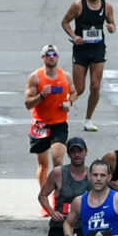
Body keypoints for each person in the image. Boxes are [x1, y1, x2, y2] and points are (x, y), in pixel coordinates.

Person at [60, 0, 117, 131]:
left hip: (98, 51)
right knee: (79, 88)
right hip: (81, 51)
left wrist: (112, 28)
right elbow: (65, 22)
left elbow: (112, 24)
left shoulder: (107, 6)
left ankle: (88, 119)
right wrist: (73, 36)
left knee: (95, 86)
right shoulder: (78, 5)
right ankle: (63, 106)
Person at [26, 44, 75, 187]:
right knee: (43, 166)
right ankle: (44, 196)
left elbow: (73, 92)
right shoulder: (35, 78)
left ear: (58, 58)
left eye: (54, 55)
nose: (51, 57)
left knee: (58, 162)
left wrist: (69, 102)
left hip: (59, 124)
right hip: (41, 124)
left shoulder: (65, 76)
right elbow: (28, 103)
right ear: (43, 58)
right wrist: (41, 96)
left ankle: (58, 198)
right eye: (48, 55)